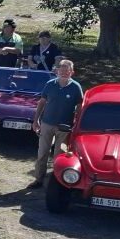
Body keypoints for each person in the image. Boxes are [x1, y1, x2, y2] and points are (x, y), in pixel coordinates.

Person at [31, 59, 84, 187]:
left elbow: (80, 107)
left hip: (64, 127)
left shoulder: (76, 87)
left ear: (72, 72)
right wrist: (36, 120)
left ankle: (57, 182)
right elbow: (42, 102)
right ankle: (38, 179)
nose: (64, 72)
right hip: (47, 123)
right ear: (57, 70)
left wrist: (77, 124)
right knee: (42, 153)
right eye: (62, 70)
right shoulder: (50, 84)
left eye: (67, 70)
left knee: (59, 156)